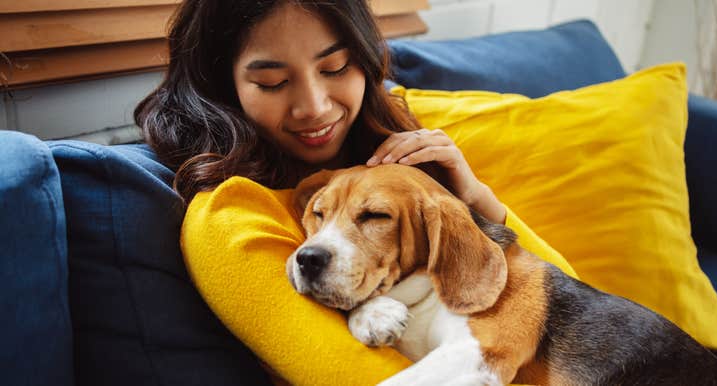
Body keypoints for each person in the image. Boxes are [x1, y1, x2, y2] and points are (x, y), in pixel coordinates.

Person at [134, 0, 558, 384]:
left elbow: (571, 309)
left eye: (335, 68)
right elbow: (354, 376)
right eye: (272, 81)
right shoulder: (230, 214)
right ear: (224, 89)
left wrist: (476, 200)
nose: (315, 107)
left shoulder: (411, 156)